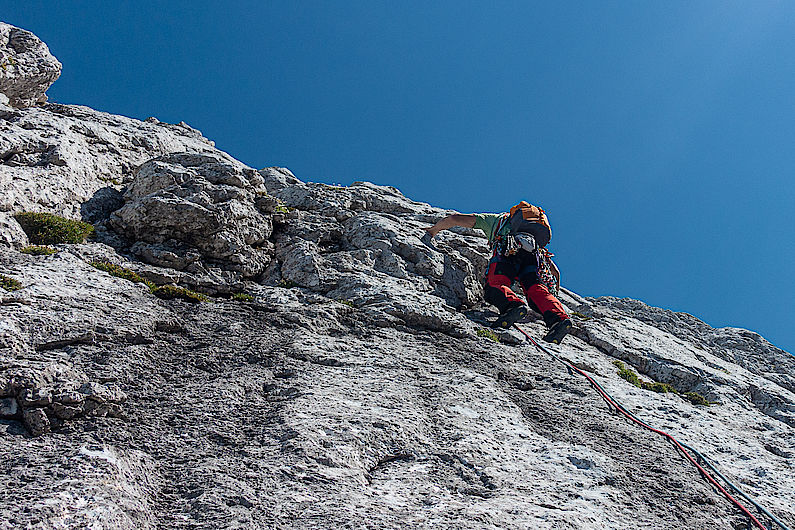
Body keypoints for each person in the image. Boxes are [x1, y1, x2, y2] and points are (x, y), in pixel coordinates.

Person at [424, 201, 572, 344]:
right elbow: (555, 271)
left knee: (495, 285)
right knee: (536, 291)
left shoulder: (496, 221)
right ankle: (559, 319)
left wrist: (433, 230)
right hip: (533, 259)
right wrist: (556, 288)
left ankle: (513, 306)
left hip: (507, 251)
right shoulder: (534, 241)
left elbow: (455, 219)